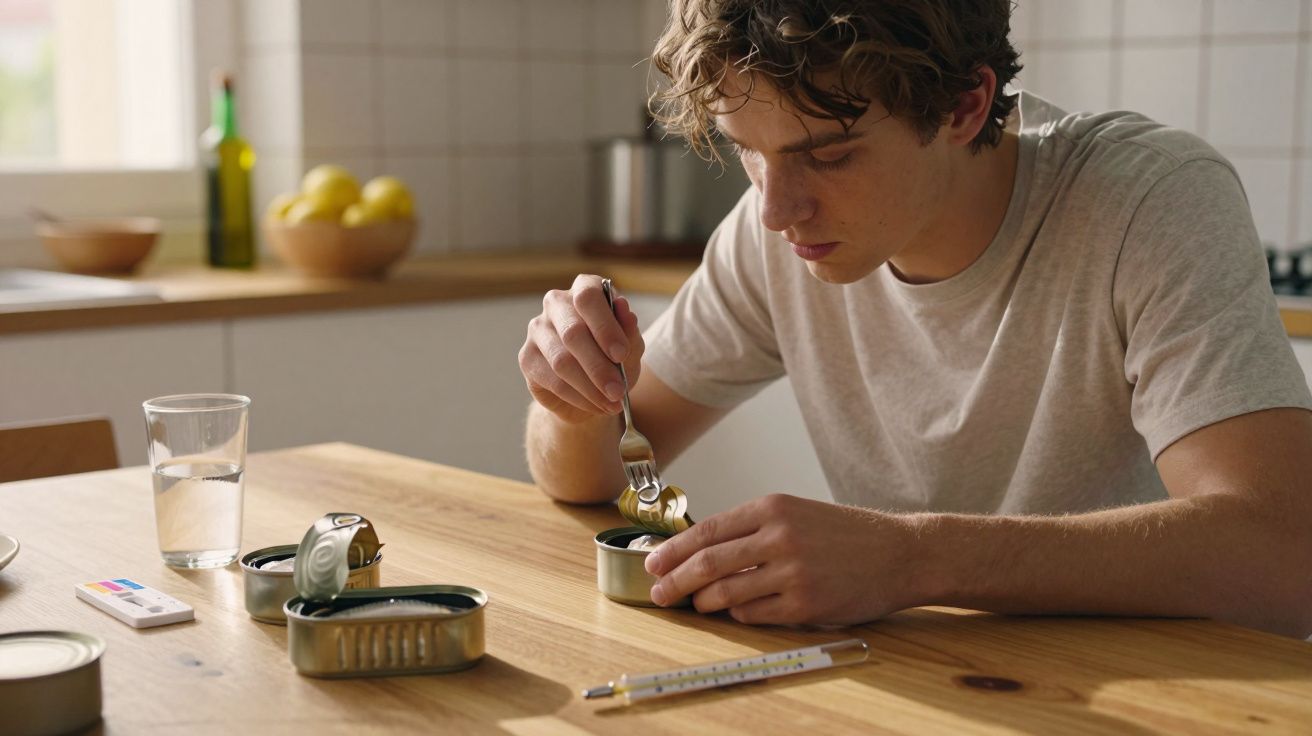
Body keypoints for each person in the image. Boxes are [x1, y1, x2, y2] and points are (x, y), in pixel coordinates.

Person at [517, 0, 1312, 637]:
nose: (774, 210)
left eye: (829, 155)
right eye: (747, 150)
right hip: (929, 685)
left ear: (965, 106)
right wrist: (576, 400)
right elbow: (591, 473)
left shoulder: (1149, 200)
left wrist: (913, 558)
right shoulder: (772, 239)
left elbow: (1285, 557)